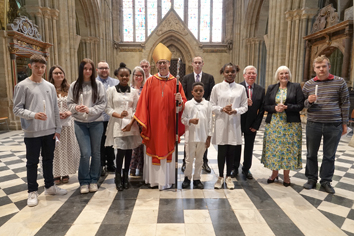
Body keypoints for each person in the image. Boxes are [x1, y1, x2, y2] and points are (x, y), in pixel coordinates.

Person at [13, 54, 67, 207]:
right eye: (36, 66)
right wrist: (33, 115)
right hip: (32, 132)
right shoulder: (22, 86)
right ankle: (32, 191)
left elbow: (55, 110)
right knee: (32, 162)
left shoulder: (49, 86)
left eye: (42, 67)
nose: (40, 69)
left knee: (49, 160)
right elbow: (16, 109)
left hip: (49, 130)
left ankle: (50, 186)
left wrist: (58, 128)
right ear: (30, 66)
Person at [134, 43, 187, 190]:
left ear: (169, 64)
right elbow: (143, 102)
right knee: (153, 148)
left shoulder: (176, 82)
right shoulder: (150, 81)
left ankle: (166, 180)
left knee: (168, 149)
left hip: (169, 124)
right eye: (159, 63)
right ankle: (154, 180)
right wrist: (143, 121)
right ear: (156, 65)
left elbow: (182, 105)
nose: (162, 65)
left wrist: (179, 101)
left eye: (164, 62)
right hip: (153, 124)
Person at [302, 55, 350, 194]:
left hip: (333, 124)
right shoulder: (309, 84)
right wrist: (309, 102)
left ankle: (326, 181)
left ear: (329, 66)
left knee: (329, 155)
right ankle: (311, 179)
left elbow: (345, 103)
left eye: (324, 66)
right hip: (313, 124)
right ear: (314, 69)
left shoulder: (340, 82)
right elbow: (302, 104)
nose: (321, 69)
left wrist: (344, 123)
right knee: (311, 153)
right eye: (318, 67)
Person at [67, 58, 106, 194]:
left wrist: (90, 110)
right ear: (81, 69)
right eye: (85, 69)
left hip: (96, 122)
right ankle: (84, 181)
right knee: (85, 153)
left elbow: (102, 104)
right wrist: (76, 107)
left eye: (90, 69)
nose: (88, 71)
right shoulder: (74, 85)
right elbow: (69, 103)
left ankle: (94, 180)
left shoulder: (98, 85)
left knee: (96, 153)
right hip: (80, 123)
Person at [261, 66, 304, 187]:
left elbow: (300, 105)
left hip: (291, 125)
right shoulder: (271, 88)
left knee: (288, 149)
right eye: (281, 73)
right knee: (275, 149)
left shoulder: (295, 87)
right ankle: (274, 173)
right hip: (275, 124)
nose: (284, 75)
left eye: (286, 73)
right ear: (277, 76)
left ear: (289, 75)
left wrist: (287, 107)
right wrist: (274, 108)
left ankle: (286, 175)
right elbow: (265, 105)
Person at [210, 63, 248, 189]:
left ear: (236, 72)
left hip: (234, 123)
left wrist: (235, 110)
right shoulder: (217, 88)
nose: (230, 74)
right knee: (221, 151)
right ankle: (220, 176)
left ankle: (229, 177)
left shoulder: (241, 89)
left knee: (232, 151)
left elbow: (245, 106)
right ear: (223, 73)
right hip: (221, 122)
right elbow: (211, 105)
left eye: (232, 71)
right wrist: (222, 109)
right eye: (227, 72)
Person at [105, 63, 141, 191]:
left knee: (129, 151)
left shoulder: (134, 92)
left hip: (131, 124)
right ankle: (118, 176)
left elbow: (137, 109)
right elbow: (108, 108)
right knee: (120, 152)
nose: (124, 78)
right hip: (117, 124)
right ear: (117, 76)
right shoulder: (111, 90)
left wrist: (131, 121)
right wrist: (119, 115)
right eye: (122, 75)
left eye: (127, 75)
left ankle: (126, 176)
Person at [181, 56, 215, 173]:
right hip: (190, 108)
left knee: (203, 140)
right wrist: (191, 105)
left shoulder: (209, 78)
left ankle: (204, 162)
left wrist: (206, 104)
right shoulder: (186, 78)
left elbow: (212, 94)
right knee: (189, 145)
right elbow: (184, 94)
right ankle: (185, 163)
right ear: (192, 64)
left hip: (204, 107)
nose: (197, 64)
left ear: (202, 64)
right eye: (195, 62)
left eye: (199, 62)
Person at [48, 65, 80, 185]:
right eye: (56, 73)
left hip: (68, 123)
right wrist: (55, 114)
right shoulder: (48, 89)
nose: (59, 75)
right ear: (51, 75)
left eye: (61, 73)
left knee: (67, 148)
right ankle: (56, 173)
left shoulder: (70, 88)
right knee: (55, 148)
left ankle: (65, 172)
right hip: (54, 124)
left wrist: (69, 112)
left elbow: (76, 104)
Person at [231, 65, 265, 179]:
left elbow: (262, 110)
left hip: (252, 123)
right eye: (249, 73)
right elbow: (232, 104)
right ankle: (234, 168)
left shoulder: (261, 90)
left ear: (256, 75)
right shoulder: (237, 87)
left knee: (249, 147)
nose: (251, 75)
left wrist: (256, 125)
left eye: (253, 73)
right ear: (244, 75)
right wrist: (244, 102)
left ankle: (246, 169)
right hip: (238, 121)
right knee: (236, 146)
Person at [181, 82, 213, 189]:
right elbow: (182, 119)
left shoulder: (208, 104)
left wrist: (209, 137)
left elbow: (210, 121)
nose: (198, 93)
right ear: (192, 92)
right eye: (196, 91)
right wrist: (190, 120)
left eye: (200, 91)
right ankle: (187, 177)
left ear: (204, 92)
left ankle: (197, 179)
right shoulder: (188, 104)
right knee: (189, 159)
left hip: (203, 137)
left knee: (200, 159)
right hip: (190, 136)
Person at [96, 61, 119, 176]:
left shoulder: (115, 82)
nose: (104, 70)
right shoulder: (93, 82)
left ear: (109, 69)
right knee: (99, 143)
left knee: (110, 141)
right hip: (98, 118)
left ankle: (111, 163)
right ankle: (100, 165)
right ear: (97, 70)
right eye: (101, 68)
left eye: (106, 68)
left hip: (111, 117)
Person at [129, 66, 146, 176]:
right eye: (136, 75)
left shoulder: (146, 88)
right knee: (134, 145)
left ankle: (141, 167)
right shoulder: (129, 88)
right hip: (132, 119)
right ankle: (132, 167)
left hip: (143, 120)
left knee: (141, 144)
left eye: (140, 75)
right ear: (133, 76)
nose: (138, 77)